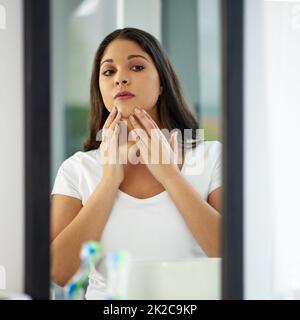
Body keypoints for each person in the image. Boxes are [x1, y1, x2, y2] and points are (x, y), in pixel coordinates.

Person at [50, 27, 222, 299]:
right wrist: (109, 181)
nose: (121, 79)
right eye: (109, 72)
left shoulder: (211, 157)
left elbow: (232, 256)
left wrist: (169, 175)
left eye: (137, 67)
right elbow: (59, 272)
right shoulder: (77, 169)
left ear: (162, 82)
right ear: (100, 88)